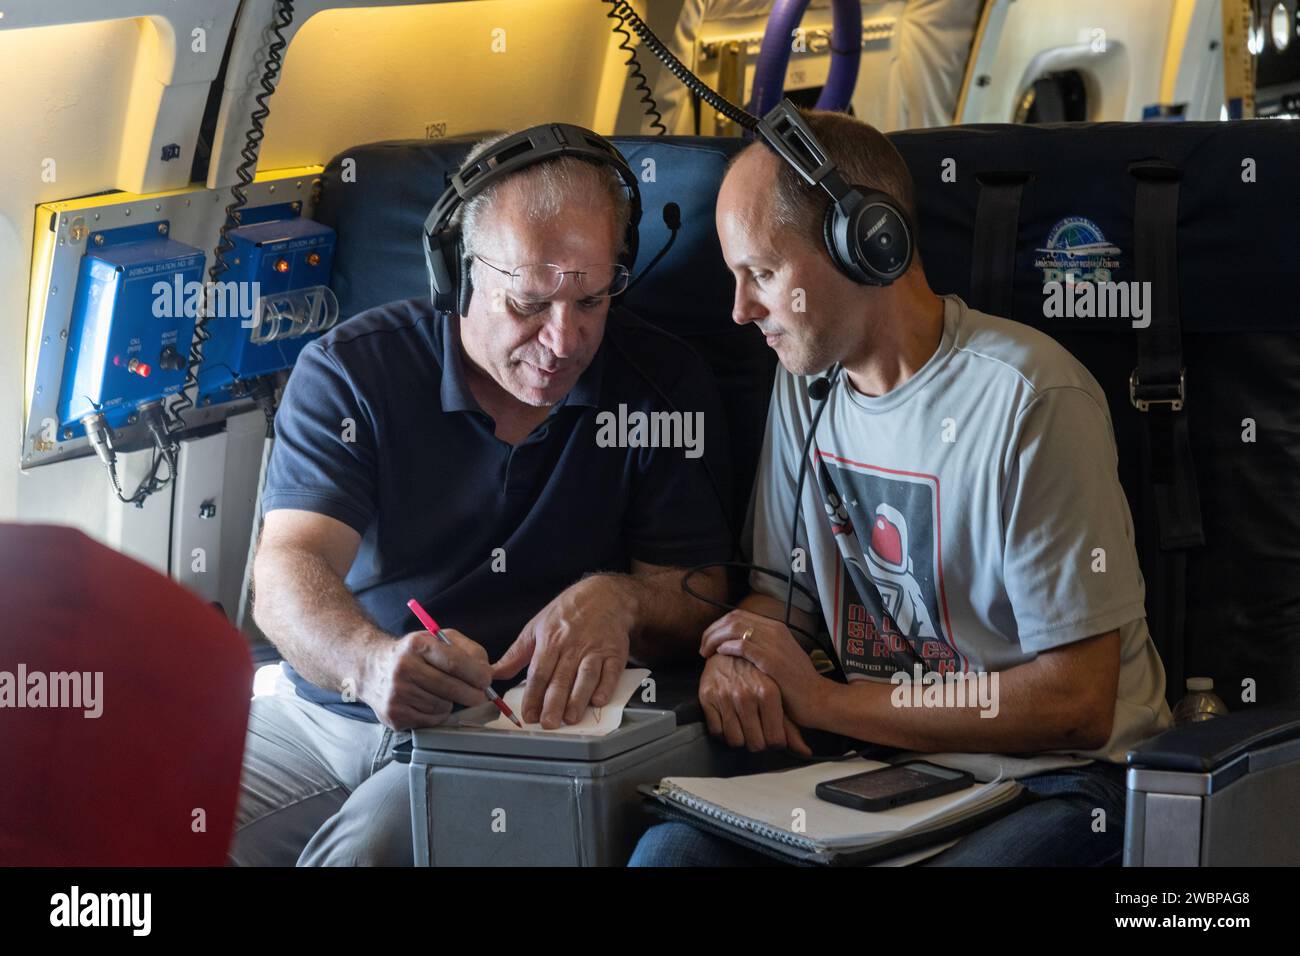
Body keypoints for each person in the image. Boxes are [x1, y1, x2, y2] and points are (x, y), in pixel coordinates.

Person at [631, 108, 1171, 867]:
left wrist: (825, 702)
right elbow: (781, 600)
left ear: (867, 245)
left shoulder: (1029, 399)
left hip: (1058, 782)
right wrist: (739, 655)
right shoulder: (807, 386)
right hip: (880, 772)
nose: (740, 310)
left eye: (761, 274)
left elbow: (1076, 705)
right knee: (670, 857)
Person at [232, 126, 730, 865]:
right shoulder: (349, 373)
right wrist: (370, 665)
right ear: (458, 273)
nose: (564, 340)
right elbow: (285, 573)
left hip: (512, 731)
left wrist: (622, 599)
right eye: (530, 303)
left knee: (372, 848)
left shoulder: (660, 385)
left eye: (592, 300)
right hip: (325, 717)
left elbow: (700, 596)